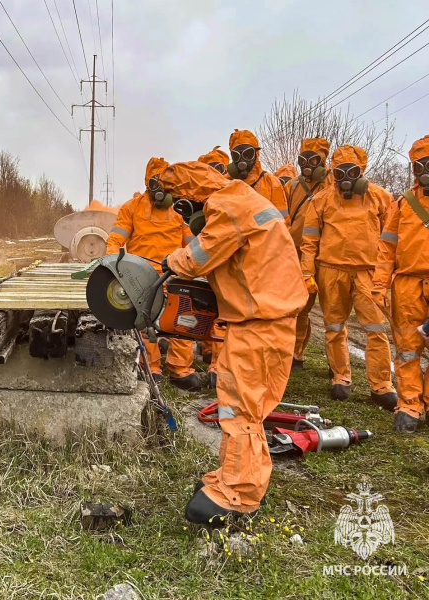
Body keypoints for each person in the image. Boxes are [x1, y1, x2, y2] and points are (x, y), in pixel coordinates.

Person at [160, 161, 306, 524]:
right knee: (231, 404)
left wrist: (169, 260)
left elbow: (198, 258)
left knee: (241, 410)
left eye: (182, 206)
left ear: (189, 200)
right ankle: (228, 476)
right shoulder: (241, 198)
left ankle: (239, 495)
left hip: (262, 325)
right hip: (252, 321)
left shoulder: (227, 206)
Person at [300, 145, 397, 408]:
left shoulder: (380, 197)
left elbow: (391, 240)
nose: (345, 177)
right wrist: (307, 272)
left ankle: (381, 385)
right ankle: (340, 377)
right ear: (333, 171)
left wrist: (388, 273)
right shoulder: (321, 200)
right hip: (331, 271)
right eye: (340, 171)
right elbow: (309, 241)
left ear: (361, 171)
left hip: (369, 272)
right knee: (334, 326)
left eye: (351, 171)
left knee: (376, 328)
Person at [106, 157, 201, 391]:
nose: (159, 191)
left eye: (164, 184)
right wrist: (111, 265)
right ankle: (151, 367)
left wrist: (197, 266)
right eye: (154, 183)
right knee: (144, 323)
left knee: (183, 321)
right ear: (147, 184)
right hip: (142, 277)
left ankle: (180, 369)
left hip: (176, 275)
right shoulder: (132, 207)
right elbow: (116, 238)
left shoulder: (180, 211)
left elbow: (193, 245)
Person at [372, 134, 429, 432]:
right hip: (407, 285)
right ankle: (409, 404)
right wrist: (379, 285)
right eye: (420, 166)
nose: (424, 172)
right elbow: (387, 249)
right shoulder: (403, 204)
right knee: (407, 348)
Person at [285, 138, 334, 370]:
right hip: (296, 253)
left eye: (313, 160)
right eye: (303, 159)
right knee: (300, 307)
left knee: (333, 313)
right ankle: (296, 353)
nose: (307, 164)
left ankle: (337, 367)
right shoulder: (293, 186)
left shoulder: (334, 184)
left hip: (328, 256)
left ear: (323, 161)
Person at [197, 146, 231, 387]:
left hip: (228, 260)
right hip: (208, 258)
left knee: (225, 313)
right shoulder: (198, 196)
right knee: (206, 306)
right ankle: (210, 352)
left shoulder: (233, 196)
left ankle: (218, 366)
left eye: (217, 169)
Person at [227, 129, 290, 225]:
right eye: (236, 156)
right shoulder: (226, 183)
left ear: (256, 154)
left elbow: (282, 219)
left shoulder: (271, 182)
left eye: (248, 154)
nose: (242, 160)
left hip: (265, 238)